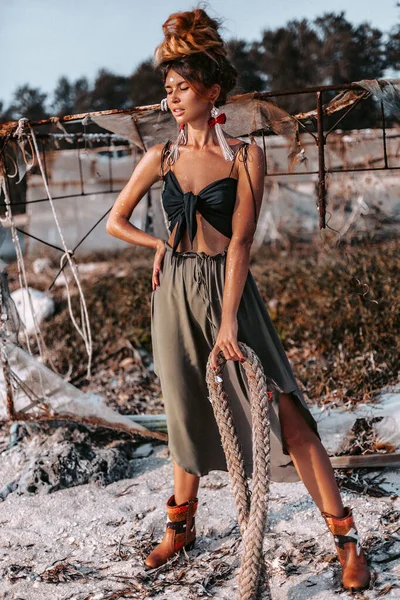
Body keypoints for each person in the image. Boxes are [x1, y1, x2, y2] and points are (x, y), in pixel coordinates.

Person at [106, 8, 371, 592]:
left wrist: (228, 319)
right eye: (168, 90)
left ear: (213, 91)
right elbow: (116, 221)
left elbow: (242, 240)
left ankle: (347, 541)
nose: (173, 99)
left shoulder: (247, 155)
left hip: (231, 291)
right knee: (185, 411)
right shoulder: (161, 157)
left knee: (286, 411)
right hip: (174, 292)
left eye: (183, 88)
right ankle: (180, 528)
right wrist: (158, 246)